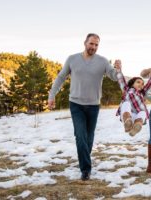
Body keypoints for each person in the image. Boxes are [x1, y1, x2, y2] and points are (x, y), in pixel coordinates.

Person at [48, 33, 121, 181]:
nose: (93, 47)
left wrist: (118, 69)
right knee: (80, 136)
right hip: (76, 104)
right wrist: (52, 95)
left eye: (96, 45)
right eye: (91, 44)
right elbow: (61, 77)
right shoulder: (72, 59)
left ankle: (84, 160)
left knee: (89, 138)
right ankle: (86, 169)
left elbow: (113, 76)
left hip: (93, 105)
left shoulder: (102, 61)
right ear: (85, 43)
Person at [115, 67, 151, 136]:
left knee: (143, 112)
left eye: (142, 84)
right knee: (126, 103)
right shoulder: (126, 89)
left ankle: (136, 127)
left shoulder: (142, 93)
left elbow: (148, 85)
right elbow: (121, 80)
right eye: (138, 82)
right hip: (127, 115)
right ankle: (127, 122)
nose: (141, 84)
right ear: (132, 84)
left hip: (136, 117)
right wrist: (118, 69)